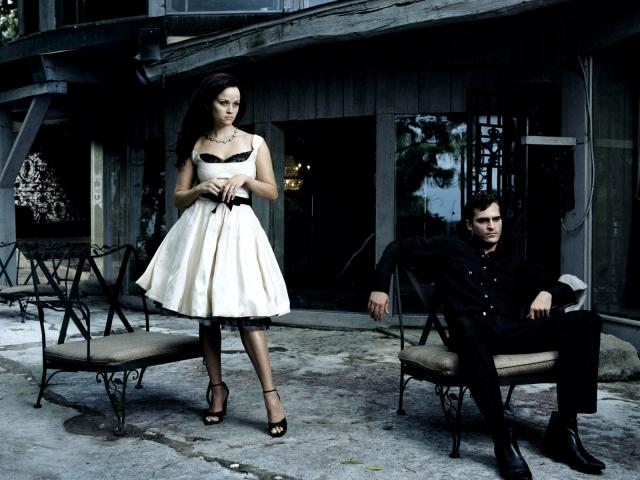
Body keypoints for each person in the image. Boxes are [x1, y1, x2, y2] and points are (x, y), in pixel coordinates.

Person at [368, 191, 604, 480]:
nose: (492, 226)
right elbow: (397, 247)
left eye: (496, 219)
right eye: (483, 220)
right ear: (470, 225)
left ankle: (565, 430)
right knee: (467, 325)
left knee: (587, 321)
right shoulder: (450, 248)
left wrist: (546, 292)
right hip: (468, 334)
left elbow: (563, 288)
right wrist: (380, 287)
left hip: (508, 332)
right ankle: (502, 438)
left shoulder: (513, 261)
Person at [136, 72, 289, 437]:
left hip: (240, 232)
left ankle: (271, 396)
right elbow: (178, 198)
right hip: (202, 230)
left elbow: (272, 192)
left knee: (250, 315)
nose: (231, 109)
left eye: (236, 103)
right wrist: (201, 187)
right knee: (208, 317)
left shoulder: (255, 142)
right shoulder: (195, 143)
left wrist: (245, 180)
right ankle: (217, 390)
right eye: (224, 103)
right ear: (209, 104)